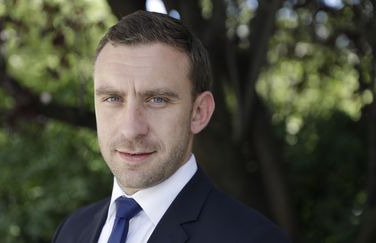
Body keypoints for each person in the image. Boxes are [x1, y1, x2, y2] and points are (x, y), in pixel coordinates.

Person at [52, 10, 290, 243]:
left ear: (199, 112)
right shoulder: (72, 230)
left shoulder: (253, 238)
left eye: (157, 100)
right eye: (113, 98)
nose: (131, 129)